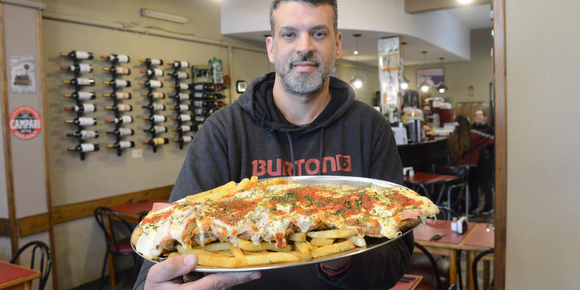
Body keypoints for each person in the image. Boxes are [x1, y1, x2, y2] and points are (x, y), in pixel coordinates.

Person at [134, 0, 412, 289]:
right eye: (289, 34)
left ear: (338, 44)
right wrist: (149, 286)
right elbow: (161, 243)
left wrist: (341, 257)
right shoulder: (223, 130)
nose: (304, 46)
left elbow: (398, 255)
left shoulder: (370, 127)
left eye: (318, 33)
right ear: (271, 47)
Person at [447, 115, 494, 217]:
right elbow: (492, 138)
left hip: (456, 169)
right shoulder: (473, 134)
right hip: (472, 165)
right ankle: (476, 207)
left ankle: (462, 209)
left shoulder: (452, 136)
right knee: (478, 184)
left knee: (463, 187)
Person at [472, 110, 495, 214]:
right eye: (476, 116)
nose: (478, 117)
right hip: (474, 161)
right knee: (473, 184)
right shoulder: (471, 129)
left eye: (480, 115)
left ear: (485, 117)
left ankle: (488, 207)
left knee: (487, 185)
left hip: (486, 160)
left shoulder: (490, 130)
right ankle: (473, 206)